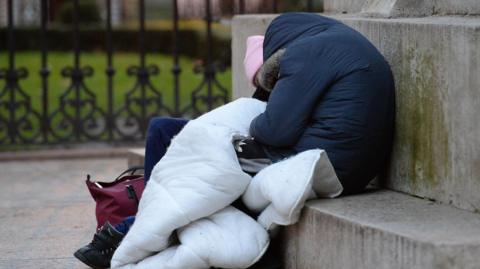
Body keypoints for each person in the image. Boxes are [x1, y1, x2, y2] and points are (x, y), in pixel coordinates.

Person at [74, 12, 395, 269]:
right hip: (340, 163)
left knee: (211, 160)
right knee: (169, 133)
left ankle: (131, 229)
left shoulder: (306, 54)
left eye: (270, 82)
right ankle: (146, 219)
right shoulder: (330, 45)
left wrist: (240, 126)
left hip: (320, 163)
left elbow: (273, 130)